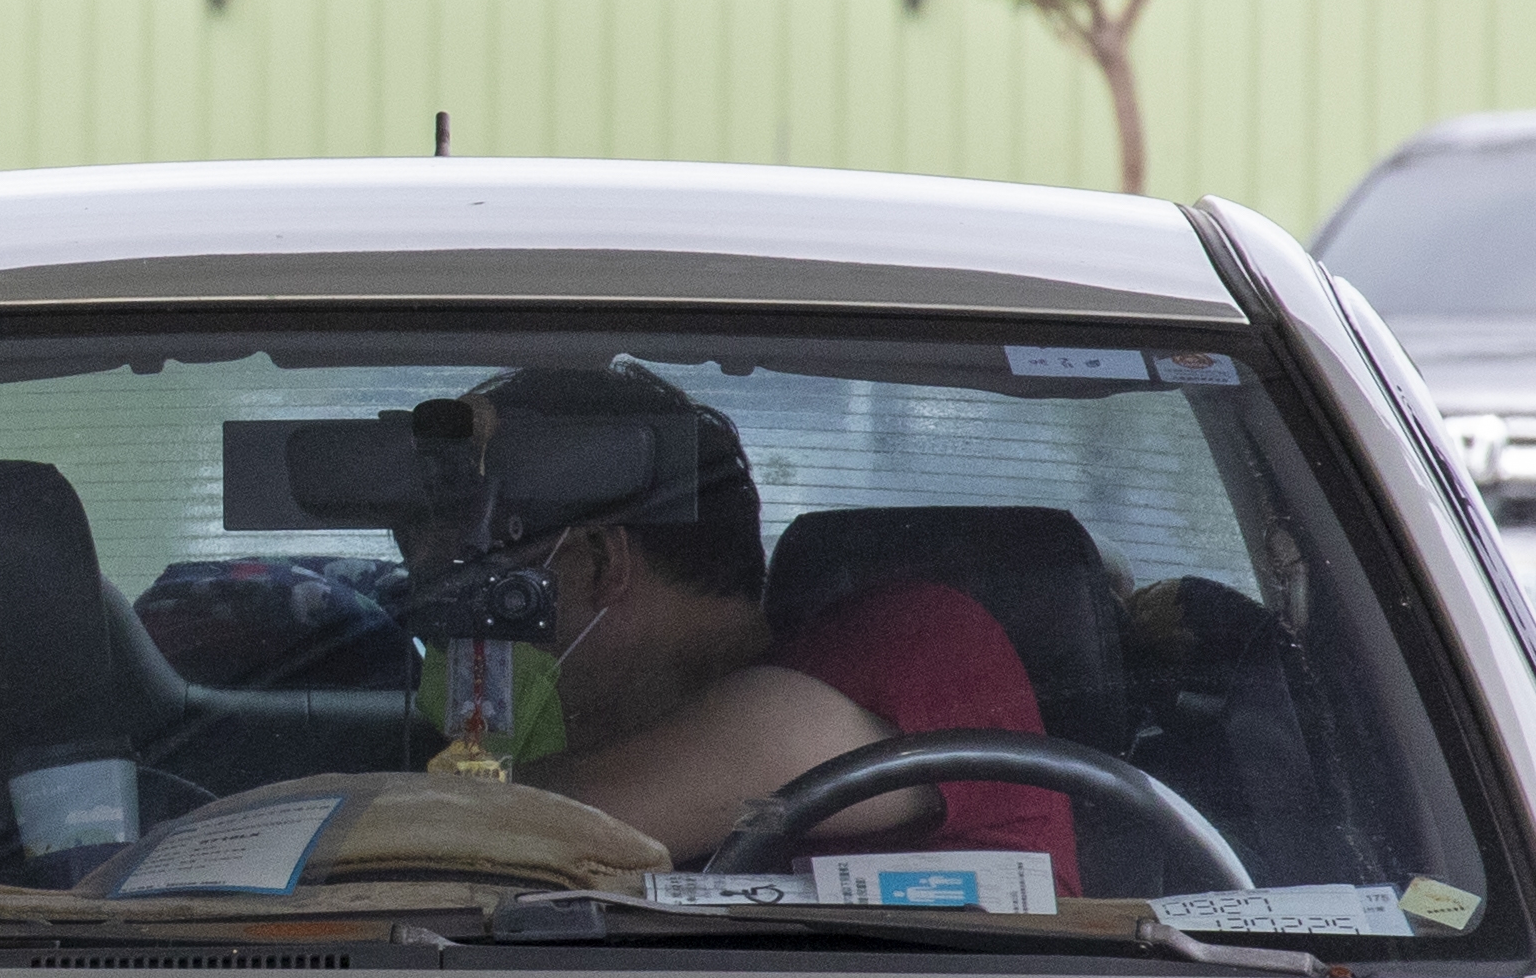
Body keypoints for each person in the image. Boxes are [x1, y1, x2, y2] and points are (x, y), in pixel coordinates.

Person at [437, 365, 1086, 887]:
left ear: (601, 561)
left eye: (477, 577)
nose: (457, 620)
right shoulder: (591, 744)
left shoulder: (915, 638)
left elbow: (503, 830)